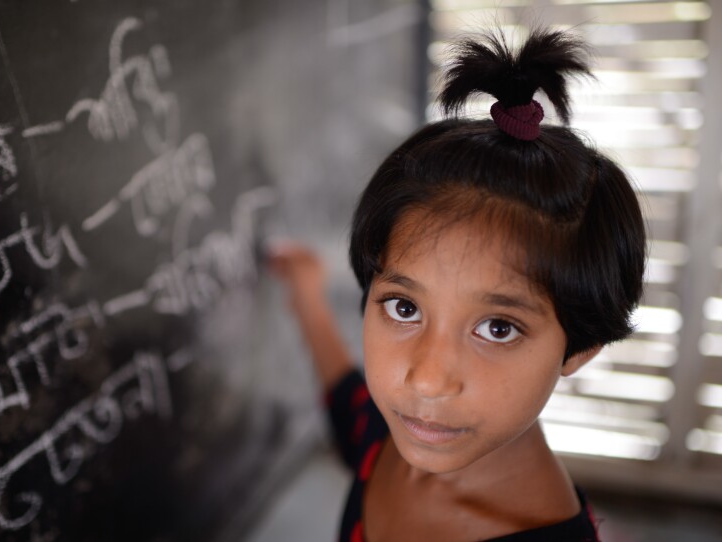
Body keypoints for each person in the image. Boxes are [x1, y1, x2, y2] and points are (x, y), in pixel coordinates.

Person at [268, 27, 645, 542]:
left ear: (579, 347)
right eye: (403, 308)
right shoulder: (389, 441)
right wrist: (307, 295)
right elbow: (347, 407)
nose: (426, 380)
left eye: (497, 328)